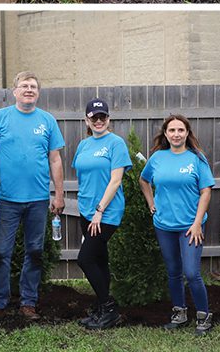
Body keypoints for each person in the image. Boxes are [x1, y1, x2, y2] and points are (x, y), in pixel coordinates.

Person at [0, 71, 64, 322]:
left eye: (34, 87)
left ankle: (28, 303)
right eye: (24, 86)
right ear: (15, 91)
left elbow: (55, 159)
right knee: (1, 253)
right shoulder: (1, 118)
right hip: (7, 199)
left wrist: (58, 195)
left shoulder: (47, 121)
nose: (29, 90)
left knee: (35, 252)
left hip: (38, 199)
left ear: (38, 93)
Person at [139, 114, 215, 335]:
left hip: (190, 226)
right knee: (173, 271)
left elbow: (206, 191)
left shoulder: (197, 158)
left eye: (180, 130)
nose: (176, 134)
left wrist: (198, 222)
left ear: (187, 133)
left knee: (191, 273)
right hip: (164, 225)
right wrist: (151, 203)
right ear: (165, 134)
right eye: (172, 130)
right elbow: (144, 180)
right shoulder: (157, 158)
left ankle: (203, 315)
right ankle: (179, 313)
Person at [71, 98, 131, 330]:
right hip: (86, 210)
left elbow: (115, 180)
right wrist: (88, 209)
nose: (98, 121)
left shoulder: (116, 144)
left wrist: (99, 211)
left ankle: (109, 308)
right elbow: (84, 178)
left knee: (84, 259)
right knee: (99, 259)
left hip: (106, 212)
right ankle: (101, 309)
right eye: (93, 117)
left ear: (109, 119)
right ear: (86, 119)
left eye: (102, 117)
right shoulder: (83, 146)